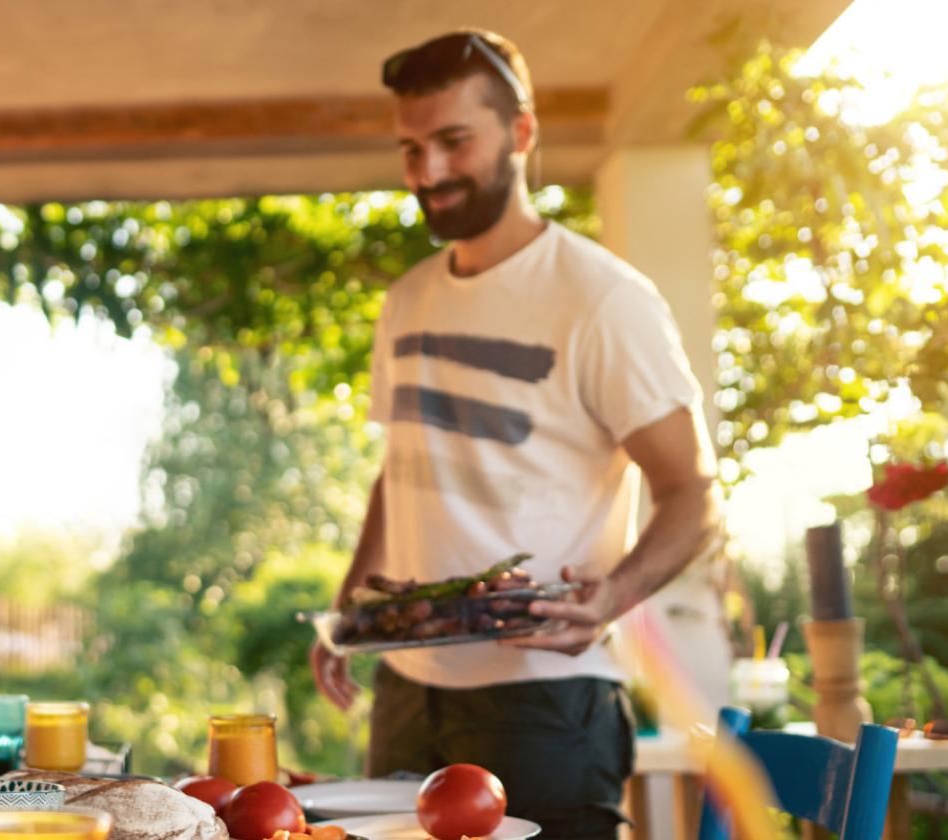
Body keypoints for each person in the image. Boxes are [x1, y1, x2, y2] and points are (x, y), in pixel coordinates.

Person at [309, 29, 722, 840]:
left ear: (521, 132)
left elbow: (694, 493)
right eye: (411, 147)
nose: (427, 172)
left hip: (547, 697)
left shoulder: (603, 300)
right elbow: (403, 470)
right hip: (407, 688)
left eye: (454, 141)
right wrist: (349, 606)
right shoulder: (407, 301)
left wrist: (614, 597)